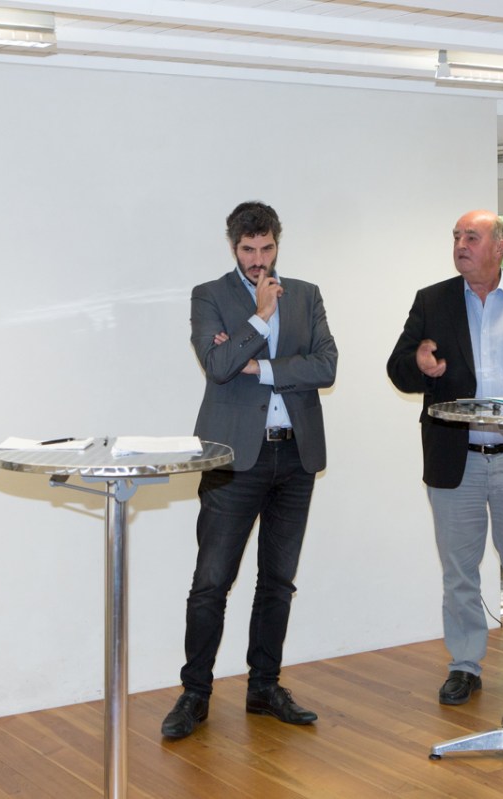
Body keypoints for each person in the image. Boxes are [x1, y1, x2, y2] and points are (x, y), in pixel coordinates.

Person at [160, 201, 338, 739]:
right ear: (233, 246)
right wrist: (259, 317)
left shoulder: (306, 295)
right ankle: (195, 693)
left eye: (267, 248)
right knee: (211, 582)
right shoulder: (210, 296)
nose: (258, 260)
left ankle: (264, 687)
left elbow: (326, 366)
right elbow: (217, 366)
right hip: (234, 458)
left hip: (296, 455)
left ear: (277, 243)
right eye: (248, 250)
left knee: (278, 581)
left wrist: (256, 365)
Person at [386, 209, 503, 707]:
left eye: (472, 237)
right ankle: (465, 665)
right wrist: (420, 364)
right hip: (457, 458)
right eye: (456, 237)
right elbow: (398, 368)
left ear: (500, 247)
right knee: (460, 573)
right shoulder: (433, 301)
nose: (461, 245)